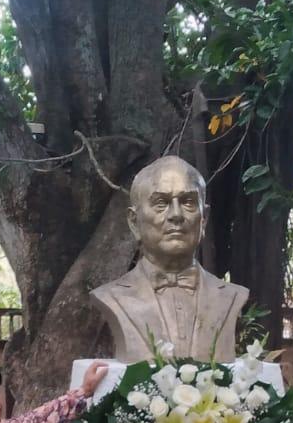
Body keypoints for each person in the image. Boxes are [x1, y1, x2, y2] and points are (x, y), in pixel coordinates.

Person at [91, 156, 248, 363]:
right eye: (161, 203)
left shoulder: (232, 296)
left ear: (204, 219)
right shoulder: (111, 297)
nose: (176, 215)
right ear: (134, 222)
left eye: (188, 202)